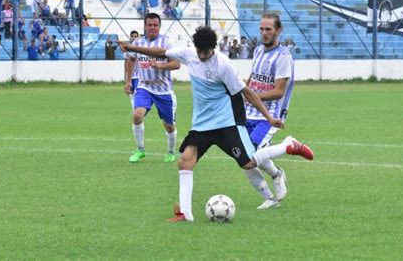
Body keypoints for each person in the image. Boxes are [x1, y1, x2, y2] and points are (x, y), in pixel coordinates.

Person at [119, 26, 314, 222]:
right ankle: (185, 214)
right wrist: (133, 48)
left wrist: (270, 118)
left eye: (206, 52)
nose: (202, 56)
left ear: (213, 48)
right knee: (184, 161)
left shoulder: (223, 65)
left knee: (249, 163)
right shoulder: (189, 54)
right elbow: (161, 52)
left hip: (226, 122)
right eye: (199, 51)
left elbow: (247, 93)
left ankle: (288, 146)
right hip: (202, 124)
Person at [242, 13, 297, 209]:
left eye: (269, 29)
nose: (264, 33)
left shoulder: (283, 57)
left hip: (269, 115)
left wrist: (251, 95)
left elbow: (279, 91)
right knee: (243, 157)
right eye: (262, 29)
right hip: (248, 112)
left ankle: (288, 145)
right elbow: (253, 78)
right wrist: (244, 91)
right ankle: (275, 181)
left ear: (278, 31)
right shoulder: (257, 51)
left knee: (250, 157)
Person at [121, 13, 180, 163]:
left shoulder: (167, 42)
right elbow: (130, 59)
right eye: (149, 25)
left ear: (159, 26)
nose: (152, 28)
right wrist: (128, 81)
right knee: (137, 115)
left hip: (164, 90)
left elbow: (176, 64)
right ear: (145, 26)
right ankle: (140, 150)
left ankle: (171, 151)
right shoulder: (138, 42)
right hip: (144, 87)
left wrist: (160, 65)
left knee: (169, 125)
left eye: (155, 25)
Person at [121, 30, 140, 109]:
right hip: (131, 76)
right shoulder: (128, 50)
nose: (134, 38)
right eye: (132, 36)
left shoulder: (140, 48)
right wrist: (125, 73)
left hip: (138, 75)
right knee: (131, 93)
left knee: (137, 93)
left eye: (136, 36)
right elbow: (126, 62)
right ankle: (134, 109)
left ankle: (137, 108)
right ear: (130, 37)